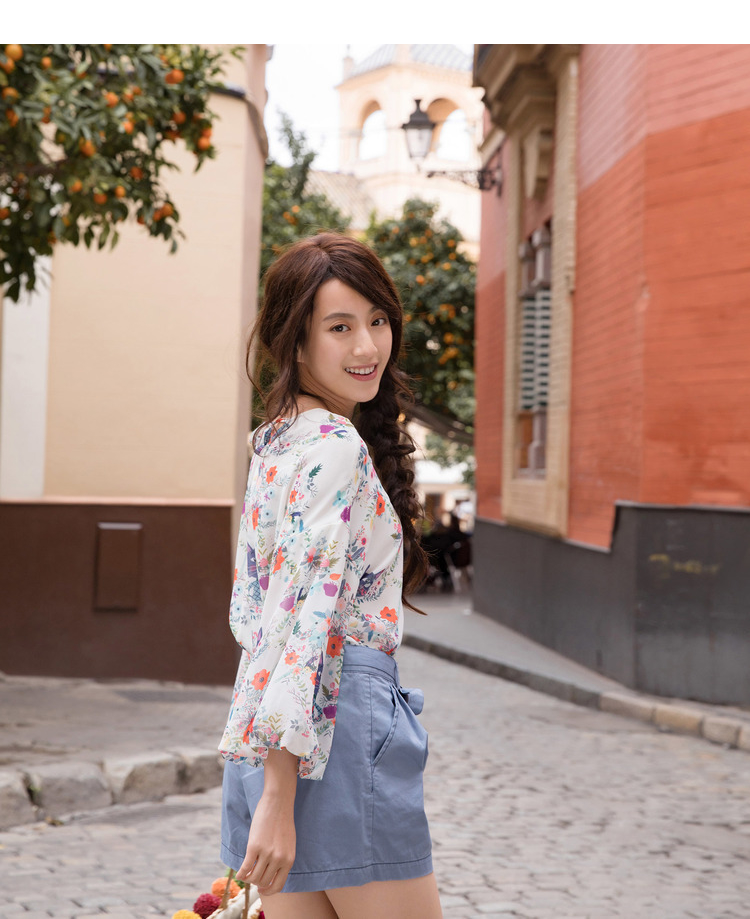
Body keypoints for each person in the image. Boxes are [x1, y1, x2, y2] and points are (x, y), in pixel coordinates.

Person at [218, 233, 444, 919]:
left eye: (377, 320)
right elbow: (303, 618)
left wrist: (270, 784)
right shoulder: (334, 444)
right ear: (295, 341)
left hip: (268, 740)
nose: (367, 346)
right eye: (339, 327)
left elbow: (259, 618)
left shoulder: (276, 441)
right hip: (332, 740)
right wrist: (280, 796)